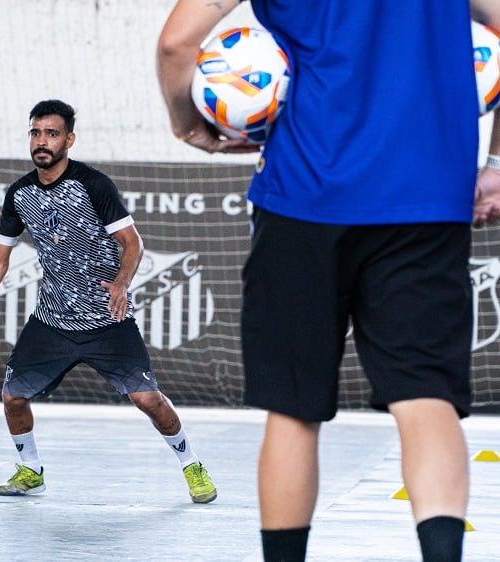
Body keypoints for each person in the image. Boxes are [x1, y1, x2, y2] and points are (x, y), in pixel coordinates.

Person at [157, 1, 500, 560]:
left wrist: (186, 121)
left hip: (303, 197)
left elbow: (176, 43)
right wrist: (496, 164)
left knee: (293, 409)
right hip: (427, 195)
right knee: (425, 399)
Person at [0, 99, 217, 503]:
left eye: (52, 133)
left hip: (107, 321)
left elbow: (131, 242)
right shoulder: (20, 193)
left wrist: (121, 282)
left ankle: (191, 464)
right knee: (12, 397)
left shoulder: (93, 184)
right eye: (36, 133)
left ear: (69, 140)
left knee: (148, 399)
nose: (42, 141)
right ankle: (30, 469)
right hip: (51, 322)